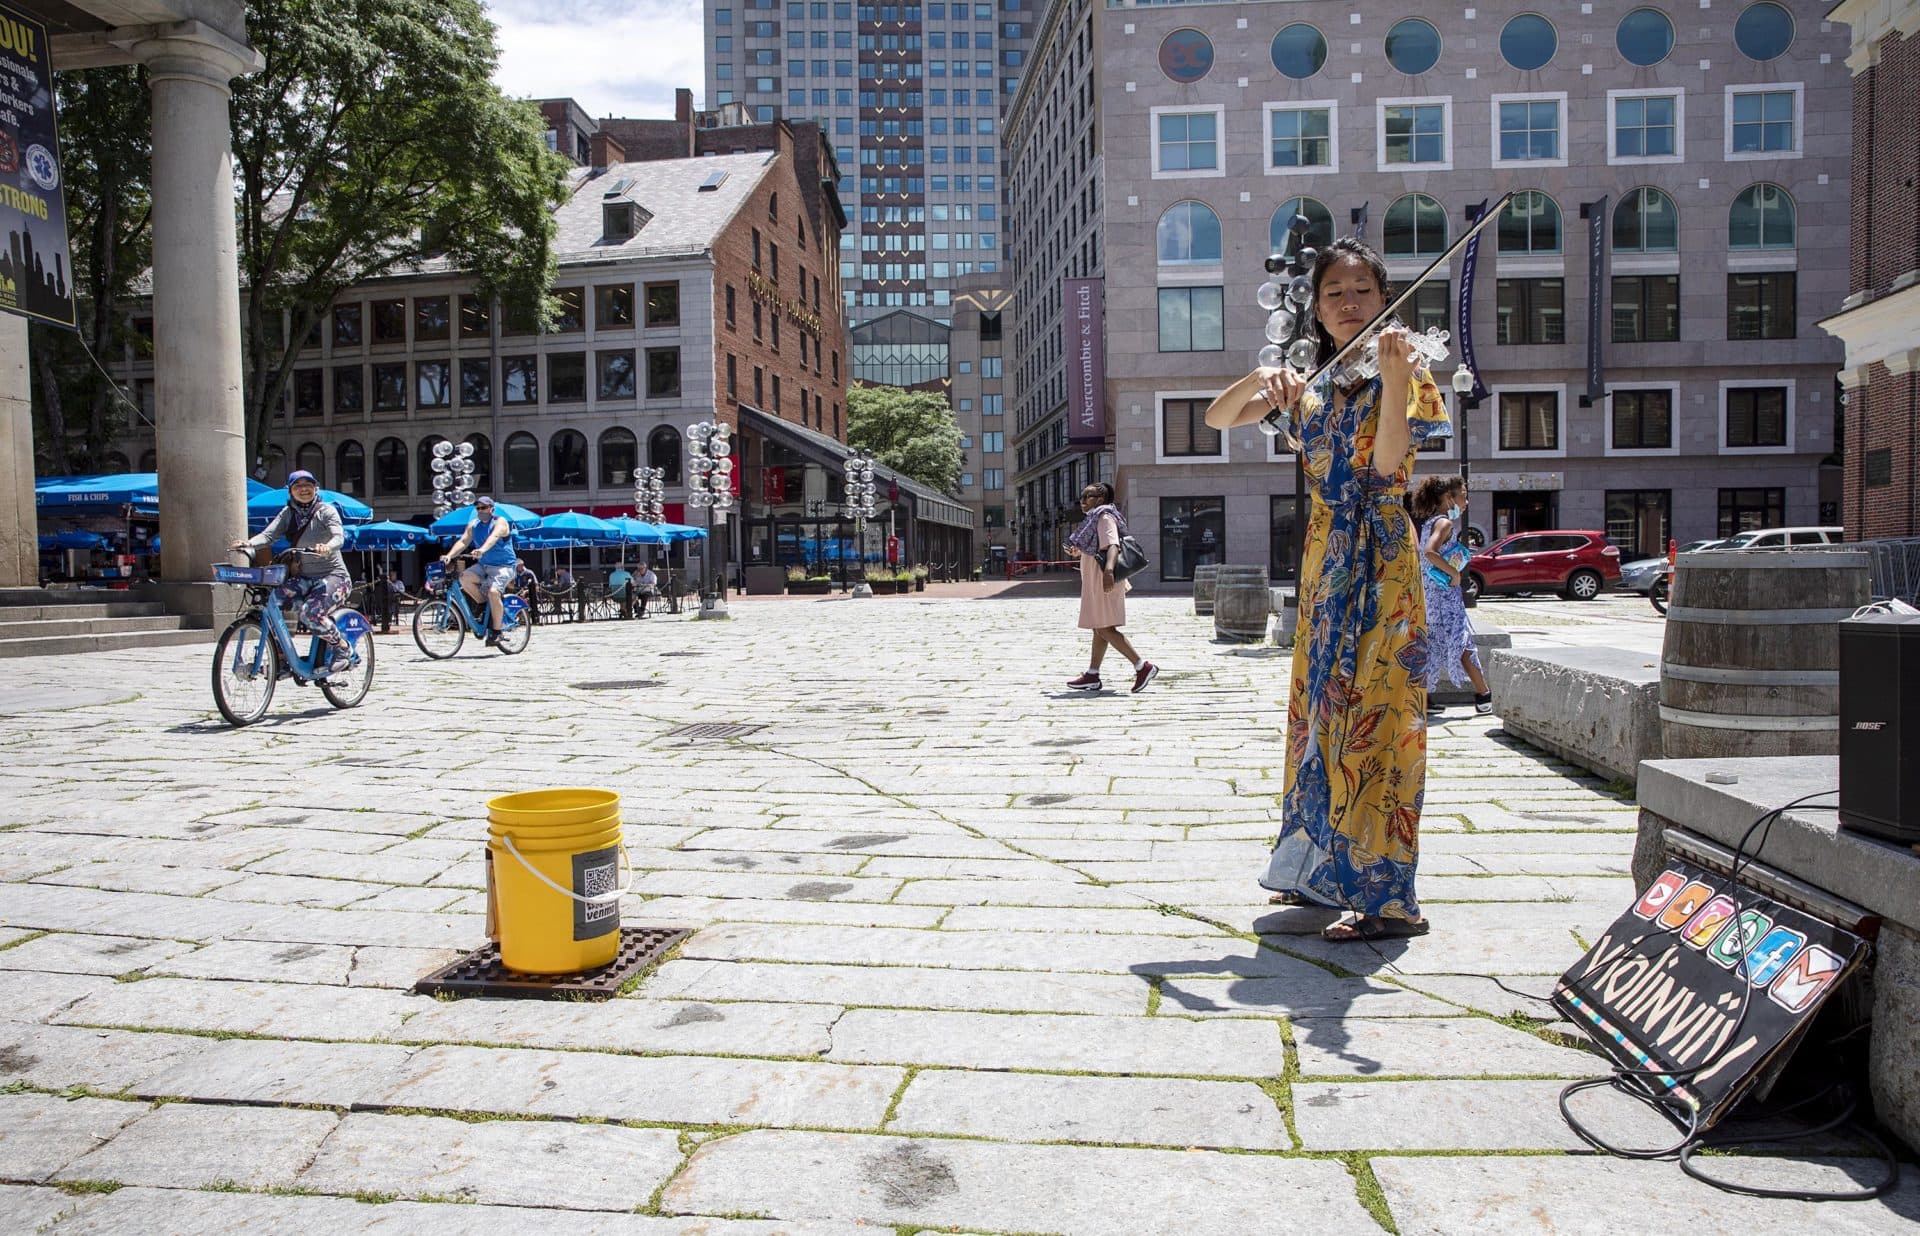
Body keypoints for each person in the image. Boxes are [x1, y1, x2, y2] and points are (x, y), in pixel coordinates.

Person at [1216, 237, 1448, 943]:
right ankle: (1321, 871)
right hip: (1324, 564)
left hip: (1380, 563)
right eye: (1334, 294)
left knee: (1381, 724)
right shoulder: (1313, 381)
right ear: (1315, 307)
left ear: (1385, 300)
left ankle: (1389, 900)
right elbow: (1219, 418)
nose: (1350, 304)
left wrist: (1399, 381)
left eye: (1363, 292)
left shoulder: (1408, 372)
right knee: (1319, 717)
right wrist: (1272, 379)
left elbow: (1383, 475)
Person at [230, 470, 355, 662]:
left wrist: (327, 547)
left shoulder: (326, 511)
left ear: (316, 488)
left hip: (335, 577)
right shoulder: (288, 513)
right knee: (270, 603)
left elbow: (338, 536)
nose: (303, 489)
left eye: (308, 485)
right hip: (305, 578)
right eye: (298, 486)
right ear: (290, 491)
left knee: (310, 614)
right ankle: (281, 653)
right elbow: (268, 535)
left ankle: (342, 647)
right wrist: (248, 543)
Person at [1063, 481, 1158, 694]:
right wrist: (1079, 553)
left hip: (1103, 580)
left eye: (1086, 497)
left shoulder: (1104, 516)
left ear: (1099, 499)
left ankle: (1143, 666)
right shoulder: (1095, 519)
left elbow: (1112, 545)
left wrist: (1108, 572)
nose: (1082, 501)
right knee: (1099, 627)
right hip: (1096, 580)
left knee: (1105, 628)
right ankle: (1092, 674)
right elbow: (1098, 546)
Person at [1412, 475, 1493, 715]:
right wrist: (1454, 574)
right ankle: (1483, 696)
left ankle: (1424, 698)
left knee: (1435, 644)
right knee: (1462, 642)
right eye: (1464, 496)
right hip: (1443, 595)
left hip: (1432, 594)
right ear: (1450, 498)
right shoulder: (1444, 523)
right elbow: (1430, 553)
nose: (1466, 502)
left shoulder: (1429, 522)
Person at [439, 496, 518, 647]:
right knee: (464, 578)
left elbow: (494, 537)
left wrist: (482, 549)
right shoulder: (473, 525)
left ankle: (497, 631)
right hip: (484, 565)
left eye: (484, 508)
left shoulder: (500, 522)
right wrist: (448, 556)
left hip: (504, 566)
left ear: (491, 509)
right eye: (478, 508)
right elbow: (463, 541)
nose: (480, 511)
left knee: (494, 592)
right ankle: (483, 607)